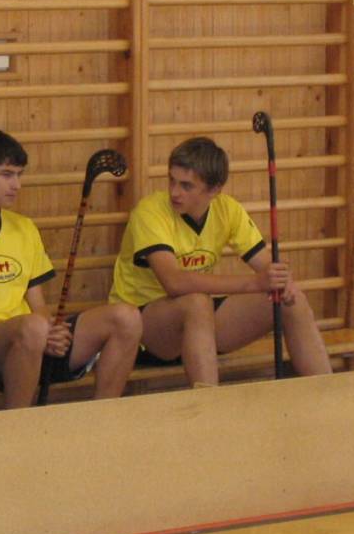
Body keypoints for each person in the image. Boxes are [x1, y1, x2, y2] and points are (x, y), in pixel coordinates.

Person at [0, 130, 142, 409]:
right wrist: (36, 330)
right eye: (6, 174)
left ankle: (104, 416)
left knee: (126, 317)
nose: (16, 184)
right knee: (32, 327)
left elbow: (38, 306)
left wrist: (51, 331)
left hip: (35, 338)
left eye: (19, 174)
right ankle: (18, 424)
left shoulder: (24, 227)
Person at [109, 136, 331, 386]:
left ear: (214, 190)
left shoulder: (228, 210)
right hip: (145, 331)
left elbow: (266, 266)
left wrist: (282, 281)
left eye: (186, 186)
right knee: (196, 302)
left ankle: (327, 394)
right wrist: (254, 283)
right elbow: (174, 283)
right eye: (171, 180)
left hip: (198, 328)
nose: (174, 192)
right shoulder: (150, 211)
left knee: (292, 299)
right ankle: (210, 404)